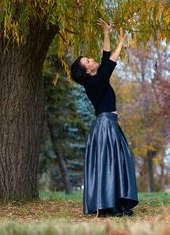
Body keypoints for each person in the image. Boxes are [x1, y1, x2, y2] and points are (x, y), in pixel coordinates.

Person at [70, 18, 139, 217]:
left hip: (109, 124)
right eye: (88, 62)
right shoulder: (93, 83)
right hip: (105, 125)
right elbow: (109, 62)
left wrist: (107, 33)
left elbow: (105, 57)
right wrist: (121, 42)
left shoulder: (95, 79)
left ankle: (118, 203)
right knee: (112, 162)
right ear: (87, 71)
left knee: (117, 161)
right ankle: (111, 206)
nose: (92, 60)